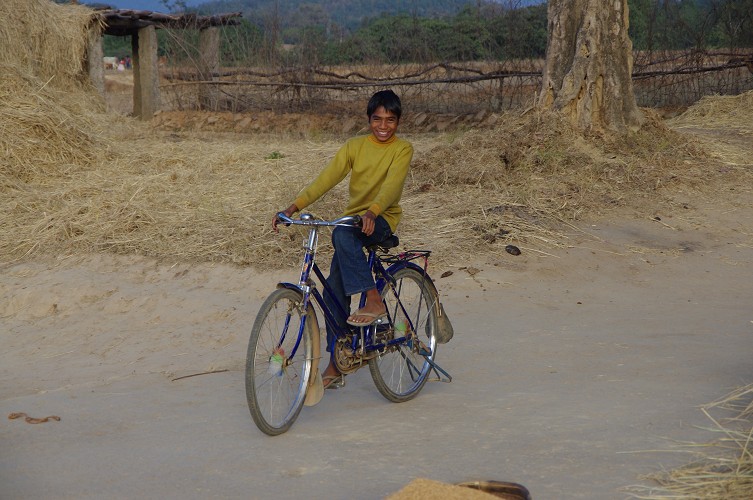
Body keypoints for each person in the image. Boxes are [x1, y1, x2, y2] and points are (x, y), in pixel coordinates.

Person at [272, 89, 413, 389]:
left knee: (340, 233)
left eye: (390, 120)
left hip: (382, 219)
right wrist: (292, 207)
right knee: (334, 290)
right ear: (368, 120)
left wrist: (373, 213)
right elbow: (326, 179)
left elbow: (391, 188)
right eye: (377, 119)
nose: (383, 126)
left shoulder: (402, 150)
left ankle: (373, 301)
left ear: (398, 122)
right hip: (353, 222)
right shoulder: (354, 146)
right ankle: (339, 362)